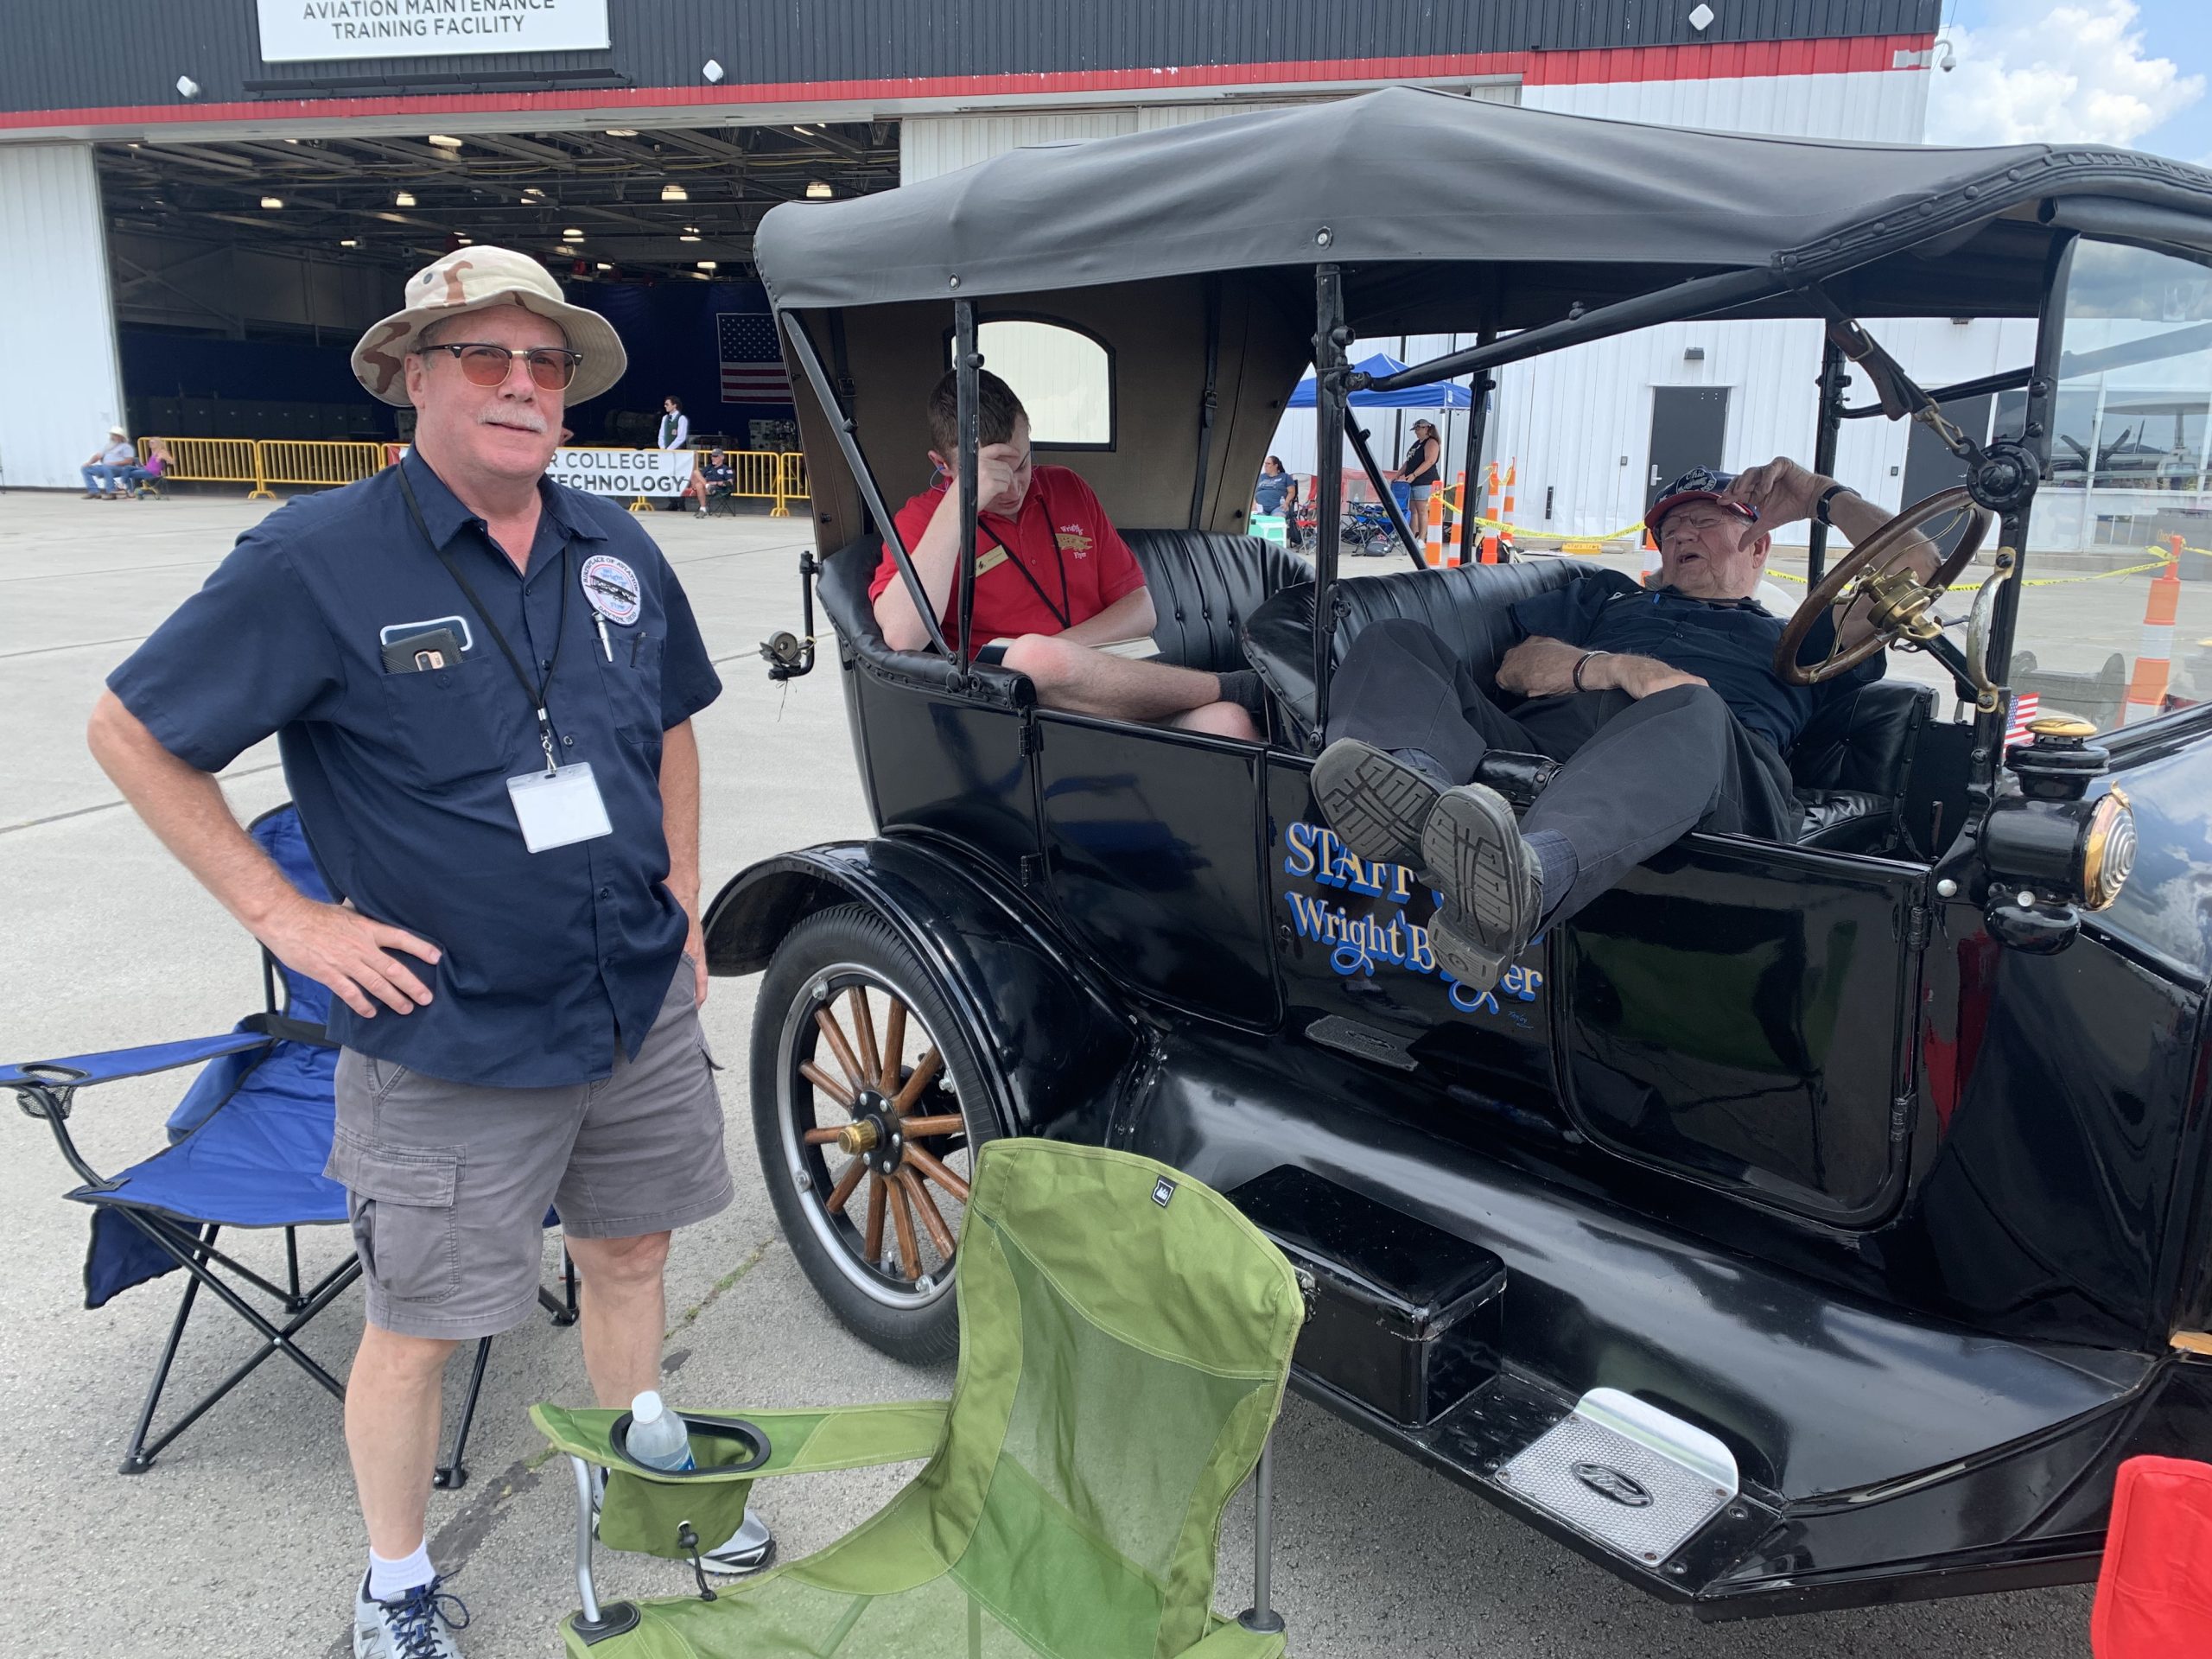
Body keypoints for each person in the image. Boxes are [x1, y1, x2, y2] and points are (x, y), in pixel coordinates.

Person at [86, 245, 771, 1659]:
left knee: (629, 1252)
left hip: (630, 997)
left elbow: (671, 720)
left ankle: (642, 1475)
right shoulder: (313, 559)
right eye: (485, 357)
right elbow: (132, 731)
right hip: (453, 1030)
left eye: (545, 362)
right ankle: (395, 1584)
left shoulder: (614, 546)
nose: (523, 385)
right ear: (411, 376)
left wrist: (684, 883)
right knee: (422, 1323)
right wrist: (286, 919)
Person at [1312, 459, 1929, 995]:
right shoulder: (1608, 597)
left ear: (1759, 545)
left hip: (1712, 771)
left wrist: (1820, 494)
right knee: (1396, 639)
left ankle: (1528, 880)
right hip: (1551, 745)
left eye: (1704, 521)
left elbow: (1921, 566)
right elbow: (1518, 668)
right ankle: (1411, 793)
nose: (1682, 535)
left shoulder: (1799, 637)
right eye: (1669, 529)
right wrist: (1616, 668)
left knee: (1692, 703)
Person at [869, 369, 1263, 739]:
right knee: (1029, 658)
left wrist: (1060, 652)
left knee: (1228, 722)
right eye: (992, 476)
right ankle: (1242, 689)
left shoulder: (1066, 488)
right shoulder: (922, 519)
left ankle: (1238, 699)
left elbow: (1142, 610)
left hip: (1111, 685)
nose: (1013, 489)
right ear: (942, 465)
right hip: (1014, 714)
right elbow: (904, 635)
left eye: (1021, 464)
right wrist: (961, 502)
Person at [1391, 419, 1443, 522]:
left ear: (1426, 429)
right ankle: (1413, 532)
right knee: (1413, 511)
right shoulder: (1417, 443)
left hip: (1425, 482)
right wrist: (1398, 474)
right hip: (1413, 482)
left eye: (1418, 429)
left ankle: (1422, 533)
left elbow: (1430, 461)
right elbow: (1409, 461)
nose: (1416, 432)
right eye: (1415, 429)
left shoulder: (1431, 442)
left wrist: (1414, 474)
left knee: (1422, 511)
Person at [1254, 455, 1302, 549]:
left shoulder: (1285, 477)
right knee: (1257, 521)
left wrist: (1286, 502)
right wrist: (1254, 504)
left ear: (1276, 465)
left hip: (1278, 506)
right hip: (1260, 507)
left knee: (1276, 520)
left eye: (1268, 464)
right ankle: (1260, 546)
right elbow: (1252, 493)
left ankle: (1275, 546)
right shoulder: (1261, 477)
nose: (1265, 466)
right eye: (1265, 464)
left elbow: (1292, 492)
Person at [80, 426, 137, 498]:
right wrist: (89, 463)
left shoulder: (126, 447)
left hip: (120, 468)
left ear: (121, 437)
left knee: (107, 468)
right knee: (85, 468)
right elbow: (98, 456)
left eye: (115, 435)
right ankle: (93, 491)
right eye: (112, 435)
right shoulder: (108, 446)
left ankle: (111, 492)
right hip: (106, 467)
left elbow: (129, 461)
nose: (112, 437)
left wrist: (114, 463)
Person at [688, 447, 734, 516]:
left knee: (699, 485)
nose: (713, 458)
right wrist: (707, 484)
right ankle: (707, 486)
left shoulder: (726, 469)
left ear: (722, 457)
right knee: (695, 472)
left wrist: (716, 483)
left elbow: (730, 482)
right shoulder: (709, 467)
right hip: (705, 488)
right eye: (712, 456)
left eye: (715, 456)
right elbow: (700, 477)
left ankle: (703, 509)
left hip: (717, 489)